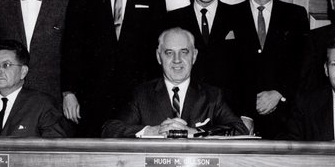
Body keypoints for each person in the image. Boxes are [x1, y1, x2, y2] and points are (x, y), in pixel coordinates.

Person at [61, 0, 167, 136]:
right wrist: (68, 92)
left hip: (139, 98)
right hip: (91, 97)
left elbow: (160, 45)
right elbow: (71, 44)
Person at [102, 28, 248, 138]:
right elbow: (110, 129)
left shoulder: (212, 96)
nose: (177, 60)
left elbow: (240, 129)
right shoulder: (141, 94)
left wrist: (195, 132)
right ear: (159, 57)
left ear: (194, 56)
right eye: (169, 53)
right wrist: (150, 131)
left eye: (184, 52)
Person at [231, 0, 309, 138]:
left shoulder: (295, 15)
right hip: (241, 121)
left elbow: (304, 63)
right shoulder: (230, 15)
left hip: (285, 120)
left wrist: (279, 93)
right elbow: (226, 73)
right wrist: (244, 113)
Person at [167, 0, 244, 120]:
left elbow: (249, 69)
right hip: (186, 112)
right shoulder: (171, 20)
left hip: (229, 113)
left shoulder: (240, 17)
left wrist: (247, 115)